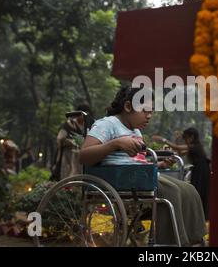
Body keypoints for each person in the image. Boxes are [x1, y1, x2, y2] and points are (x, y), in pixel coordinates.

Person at [79, 85, 206, 246]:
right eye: (145, 110)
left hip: (137, 176)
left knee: (189, 189)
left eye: (152, 111)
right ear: (127, 106)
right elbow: (83, 156)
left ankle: (193, 239)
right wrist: (115, 143)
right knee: (171, 191)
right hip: (118, 178)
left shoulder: (136, 131)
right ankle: (170, 243)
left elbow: (139, 160)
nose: (149, 115)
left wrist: (159, 163)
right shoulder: (107, 124)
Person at [152, 128, 211, 220]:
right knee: (195, 189)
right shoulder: (191, 147)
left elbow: (177, 148)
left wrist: (164, 140)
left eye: (186, 138)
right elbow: (180, 152)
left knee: (200, 190)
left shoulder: (196, 146)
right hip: (197, 170)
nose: (185, 141)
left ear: (192, 137)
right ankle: (197, 213)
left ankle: (203, 214)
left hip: (202, 170)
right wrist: (176, 140)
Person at [51, 108, 86, 181]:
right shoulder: (68, 125)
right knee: (66, 175)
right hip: (67, 155)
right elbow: (60, 139)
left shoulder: (86, 126)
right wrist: (70, 141)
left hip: (80, 156)